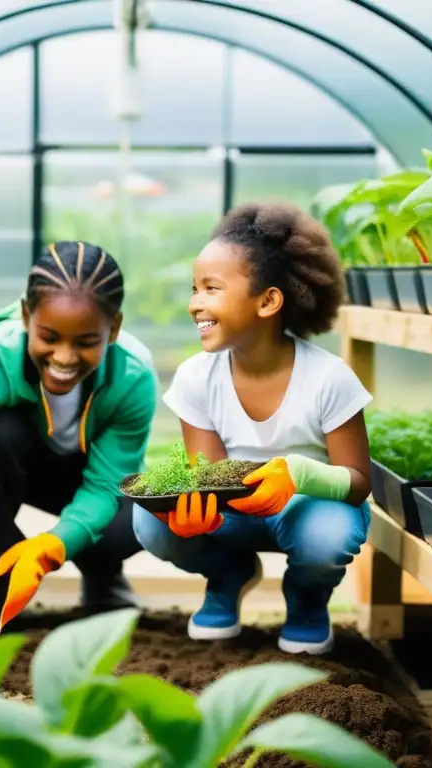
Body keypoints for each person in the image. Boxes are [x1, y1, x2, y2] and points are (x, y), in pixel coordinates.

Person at [133, 202, 373, 655]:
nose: (194, 303)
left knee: (328, 535)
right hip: (236, 513)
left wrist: (297, 475)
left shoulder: (329, 377)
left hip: (310, 508)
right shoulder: (195, 376)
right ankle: (226, 575)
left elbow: (360, 483)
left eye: (211, 288)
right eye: (194, 289)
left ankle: (306, 597)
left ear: (268, 301)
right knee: (152, 521)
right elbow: (208, 472)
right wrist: (193, 511)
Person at [0, 241, 157, 642]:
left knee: (126, 523)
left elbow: (104, 483)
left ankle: (103, 574)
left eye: (85, 342)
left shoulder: (132, 376)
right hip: (17, 470)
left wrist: (52, 546)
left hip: (88, 479)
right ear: (26, 316)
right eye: (49, 337)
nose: (64, 356)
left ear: (113, 329)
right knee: (0, 435)